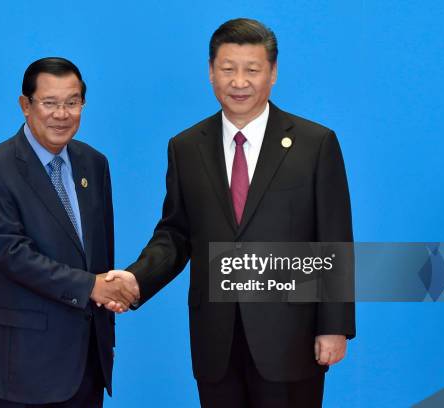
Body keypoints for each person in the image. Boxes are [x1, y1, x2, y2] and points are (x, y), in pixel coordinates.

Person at [106, 18, 355, 408]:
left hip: (290, 336)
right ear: (211, 72)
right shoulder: (186, 147)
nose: (239, 81)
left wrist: (334, 327)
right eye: (228, 69)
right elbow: (175, 233)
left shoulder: (315, 143)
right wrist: (138, 279)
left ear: (272, 73)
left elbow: (334, 239)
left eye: (252, 70)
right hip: (215, 339)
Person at [0, 57, 138, 408]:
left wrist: (110, 295)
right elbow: (11, 255)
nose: (62, 114)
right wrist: (92, 286)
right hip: (23, 366)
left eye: (72, 103)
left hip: (87, 362)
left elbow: (99, 252)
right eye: (50, 103)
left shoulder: (94, 163)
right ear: (25, 105)